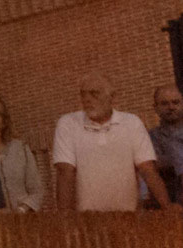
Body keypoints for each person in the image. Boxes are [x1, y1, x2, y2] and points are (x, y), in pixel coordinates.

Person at [52, 73, 174, 211]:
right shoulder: (68, 124)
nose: (86, 99)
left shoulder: (132, 123)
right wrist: (64, 217)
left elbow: (147, 169)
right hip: (86, 220)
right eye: (83, 94)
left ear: (111, 97)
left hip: (128, 216)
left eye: (94, 93)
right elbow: (65, 172)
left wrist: (167, 206)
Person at [149, 84, 183, 203]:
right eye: (164, 103)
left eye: (175, 102)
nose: (171, 107)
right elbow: (153, 167)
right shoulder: (150, 138)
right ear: (156, 108)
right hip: (173, 203)